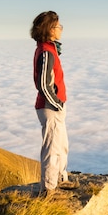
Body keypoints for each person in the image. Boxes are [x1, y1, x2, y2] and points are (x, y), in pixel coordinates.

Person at [31, 11, 69, 195]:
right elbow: (43, 85)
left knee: (61, 144)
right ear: (49, 29)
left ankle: (60, 178)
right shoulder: (46, 52)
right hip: (50, 106)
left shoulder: (50, 49)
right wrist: (57, 103)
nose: (61, 29)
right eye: (58, 26)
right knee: (52, 148)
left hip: (54, 105)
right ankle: (48, 189)